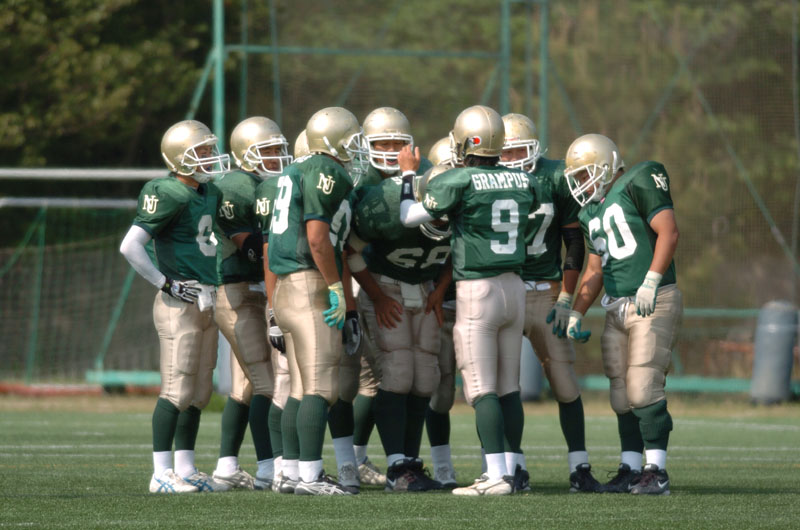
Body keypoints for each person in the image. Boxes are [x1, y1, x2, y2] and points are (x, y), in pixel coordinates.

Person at [399, 105, 541, 496]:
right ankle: (512, 470)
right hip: (515, 287)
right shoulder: (524, 180)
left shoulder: (459, 179)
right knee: (509, 387)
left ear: (464, 142)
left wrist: (408, 174)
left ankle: (495, 475)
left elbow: (409, 216)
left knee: (481, 388)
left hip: (479, 289)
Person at [562, 133, 682, 496]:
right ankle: (630, 468)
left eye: (586, 174)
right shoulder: (589, 213)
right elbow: (594, 269)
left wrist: (651, 279)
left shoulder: (638, 180)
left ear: (608, 165)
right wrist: (576, 311)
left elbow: (669, 233)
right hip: (616, 306)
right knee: (621, 393)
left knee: (643, 387)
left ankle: (656, 470)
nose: (582, 184)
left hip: (652, 298)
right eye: (577, 178)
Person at [119, 119, 231, 493]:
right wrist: (165, 282)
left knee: (199, 392)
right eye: (202, 152)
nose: (210, 157)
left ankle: (185, 467)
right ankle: (160, 473)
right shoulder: (166, 192)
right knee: (177, 388)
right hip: (177, 300)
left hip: (207, 298)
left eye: (210, 150)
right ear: (179, 158)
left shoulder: (209, 192)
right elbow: (130, 245)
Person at [499, 113, 600, 493]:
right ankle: (513, 466)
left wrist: (566, 298)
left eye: (519, 151)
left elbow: (574, 241)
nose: (512, 160)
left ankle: (580, 466)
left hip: (545, 290)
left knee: (564, 381)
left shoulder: (556, 177)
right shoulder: (484, 179)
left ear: (535, 149)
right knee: (504, 385)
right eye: (505, 152)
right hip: (502, 290)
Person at [267, 107, 363, 495]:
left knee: (299, 388)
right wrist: (336, 287)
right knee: (322, 388)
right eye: (351, 139)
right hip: (309, 284)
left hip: (285, 288)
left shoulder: (291, 172)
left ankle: (291, 472)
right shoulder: (325, 170)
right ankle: (310, 476)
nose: (356, 148)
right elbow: (317, 239)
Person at [347, 162, 451, 492]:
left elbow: (460, 252)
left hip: (425, 289)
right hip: (385, 286)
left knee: (425, 378)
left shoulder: (465, 204)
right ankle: (396, 467)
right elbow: (350, 250)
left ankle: (411, 462)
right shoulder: (390, 205)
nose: (442, 219)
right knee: (398, 373)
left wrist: (440, 289)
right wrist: (376, 297)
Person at [208, 116, 292, 490]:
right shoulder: (236, 187)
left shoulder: (261, 184)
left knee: (245, 386)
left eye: (279, 149)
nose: (277, 157)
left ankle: (227, 466)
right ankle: (269, 467)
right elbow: (253, 248)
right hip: (237, 291)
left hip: (252, 290)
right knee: (267, 383)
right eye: (268, 150)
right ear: (245, 153)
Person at [254, 130, 309, 493]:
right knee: (288, 383)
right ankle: (281, 467)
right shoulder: (275, 190)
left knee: (308, 383)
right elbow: (269, 255)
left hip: (308, 297)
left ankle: (297, 467)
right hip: (291, 295)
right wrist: (273, 311)